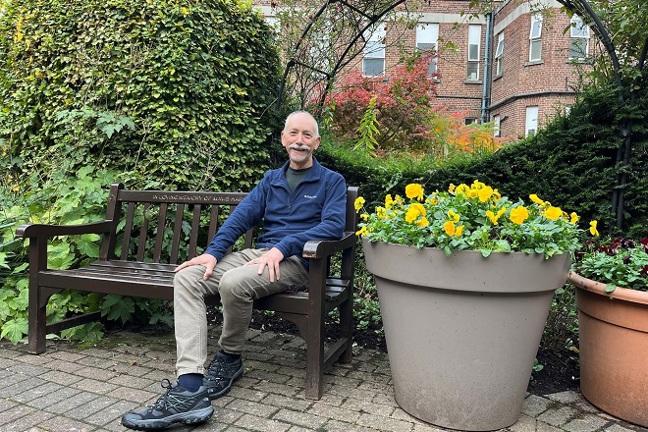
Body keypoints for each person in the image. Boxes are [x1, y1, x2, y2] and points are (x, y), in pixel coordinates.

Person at [121, 111, 347, 430]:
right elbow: (241, 218)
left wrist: (284, 247)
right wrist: (212, 254)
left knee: (233, 282)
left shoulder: (331, 181)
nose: (299, 140)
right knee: (187, 277)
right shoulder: (271, 180)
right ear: (283, 138)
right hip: (258, 254)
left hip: (300, 262)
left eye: (307, 135)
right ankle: (190, 385)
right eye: (293, 133)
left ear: (317, 142)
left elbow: (334, 226)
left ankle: (229, 358)